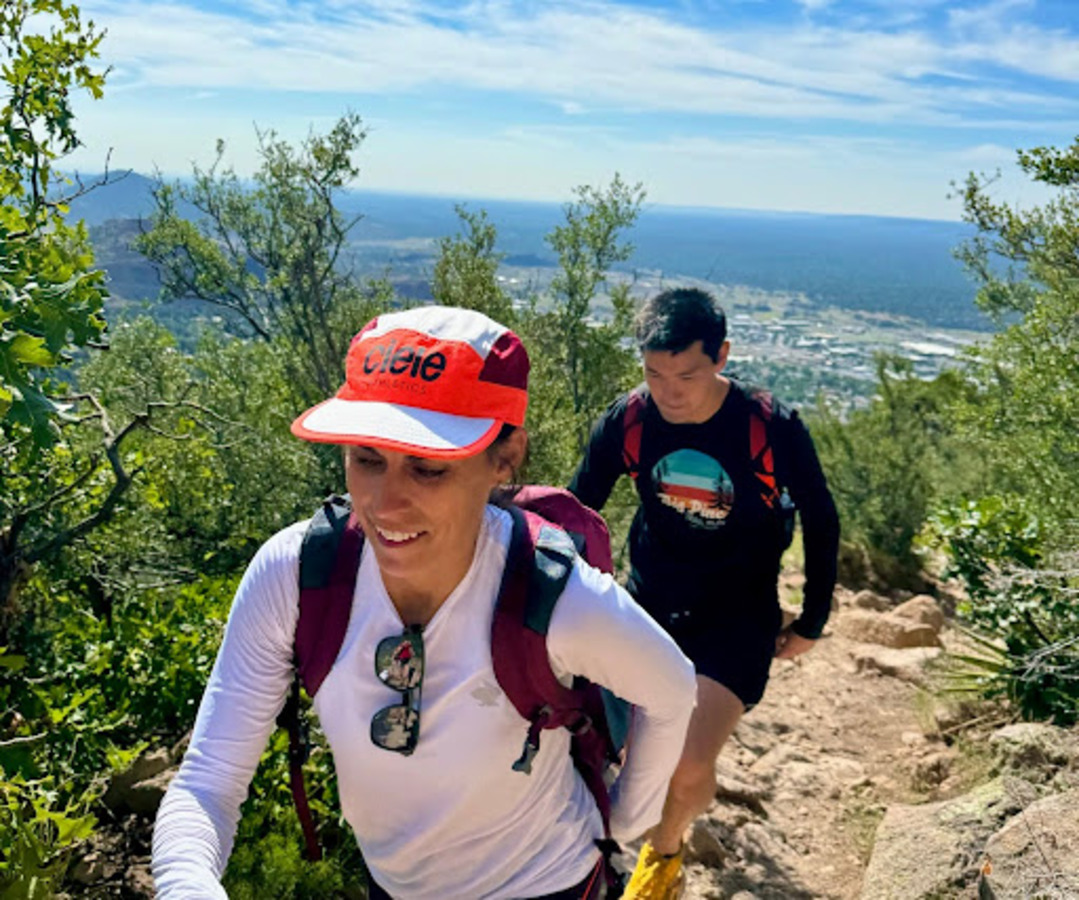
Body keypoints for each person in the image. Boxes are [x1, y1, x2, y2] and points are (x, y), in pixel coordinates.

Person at [152, 305, 697, 900]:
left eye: (429, 468)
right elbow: (208, 783)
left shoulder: (552, 596)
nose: (386, 504)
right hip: (394, 884)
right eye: (366, 459)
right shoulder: (298, 575)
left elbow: (671, 688)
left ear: (505, 456)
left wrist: (623, 827)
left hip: (547, 882)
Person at [568, 288, 840, 899]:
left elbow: (822, 521)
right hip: (648, 604)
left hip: (737, 618)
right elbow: (576, 509)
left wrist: (813, 619)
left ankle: (658, 867)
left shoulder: (768, 425)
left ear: (721, 355)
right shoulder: (630, 420)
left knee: (688, 763)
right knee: (611, 750)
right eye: (654, 374)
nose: (669, 391)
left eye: (686, 374)